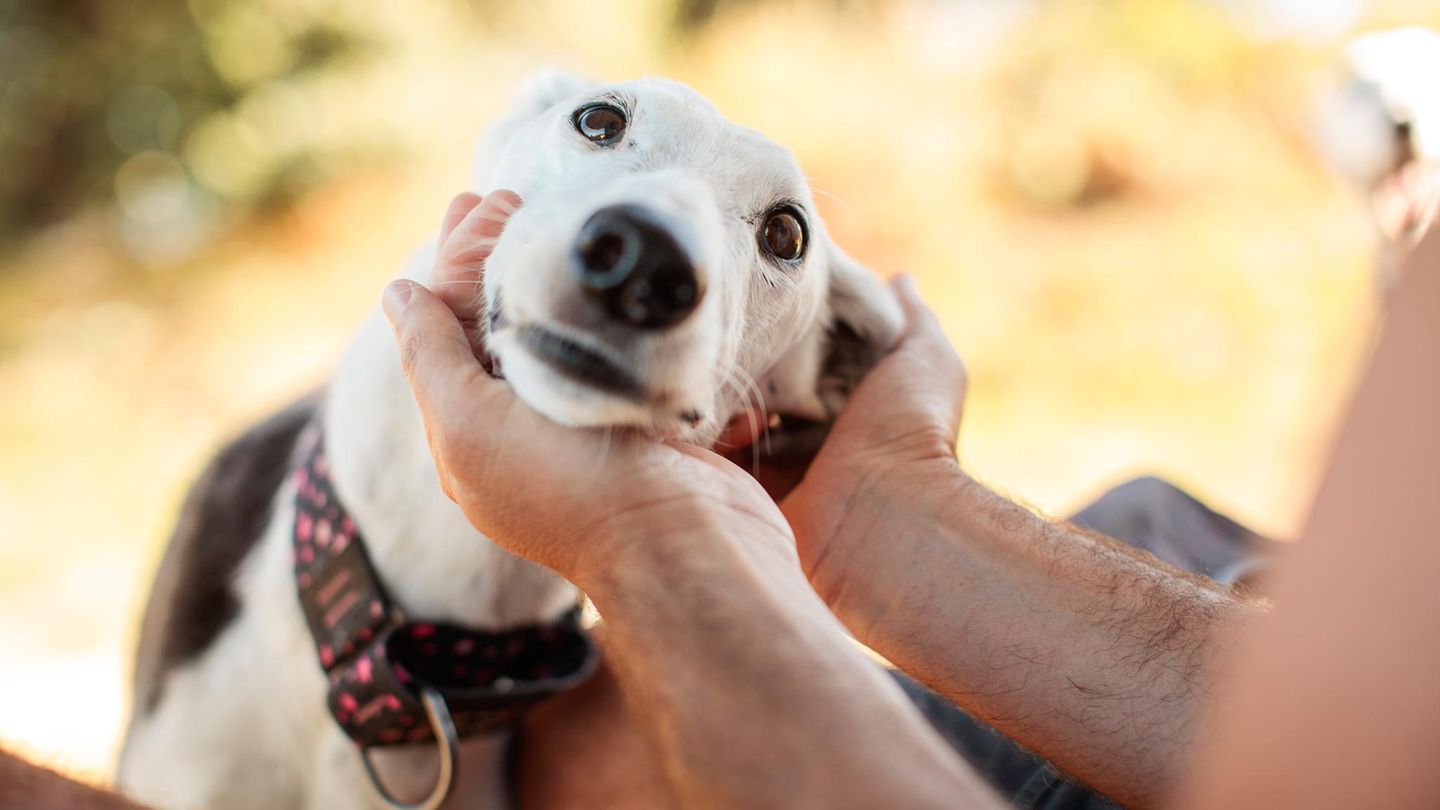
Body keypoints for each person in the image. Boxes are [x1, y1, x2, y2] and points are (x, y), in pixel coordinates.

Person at [380, 191, 1440, 809]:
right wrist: (891, 512)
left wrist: (643, 543)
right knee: (1152, 515)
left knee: (605, 738)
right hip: (1267, 624)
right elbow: (1350, 752)